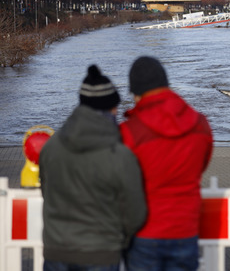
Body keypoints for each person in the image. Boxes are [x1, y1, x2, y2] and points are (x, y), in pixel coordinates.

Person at [39, 65, 147, 271]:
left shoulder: (51, 147)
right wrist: (118, 240)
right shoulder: (120, 154)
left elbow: (47, 191)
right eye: (115, 107)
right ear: (110, 108)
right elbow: (135, 212)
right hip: (102, 253)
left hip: (56, 251)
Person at [120, 56, 213, 271]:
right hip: (186, 229)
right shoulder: (200, 124)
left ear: (135, 92)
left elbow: (121, 180)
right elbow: (202, 164)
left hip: (145, 232)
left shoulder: (129, 131)